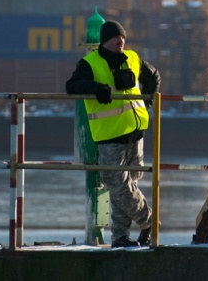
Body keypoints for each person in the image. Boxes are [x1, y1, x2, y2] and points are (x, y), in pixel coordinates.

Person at [66, 20, 161, 248]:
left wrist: (146, 101)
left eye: (123, 38)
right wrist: (97, 89)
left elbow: (153, 77)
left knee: (128, 185)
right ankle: (149, 222)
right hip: (110, 135)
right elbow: (72, 86)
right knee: (117, 183)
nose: (121, 41)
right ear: (105, 40)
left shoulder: (133, 58)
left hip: (136, 132)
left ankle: (120, 237)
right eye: (117, 38)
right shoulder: (90, 63)